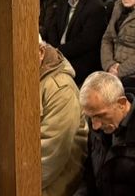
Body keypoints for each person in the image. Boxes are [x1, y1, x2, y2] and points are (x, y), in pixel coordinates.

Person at [76, 71, 135, 196]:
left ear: (121, 103)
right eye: (91, 117)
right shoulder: (97, 117)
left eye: (100, 116)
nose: (95, 125)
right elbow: (89, 175)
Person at [45, 0, 110, 86]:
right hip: (59, 52)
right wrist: (54, 48)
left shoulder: (96, 7)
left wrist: (59, 51)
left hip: (81, 59)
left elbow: (86, 41)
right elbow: (52, 26)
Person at [39, 36, 88, 196]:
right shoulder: (27, 76)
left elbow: (53, 153)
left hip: (58, 175)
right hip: (32, 166)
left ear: (40, 53)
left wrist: (18, 182)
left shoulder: (60, 88)